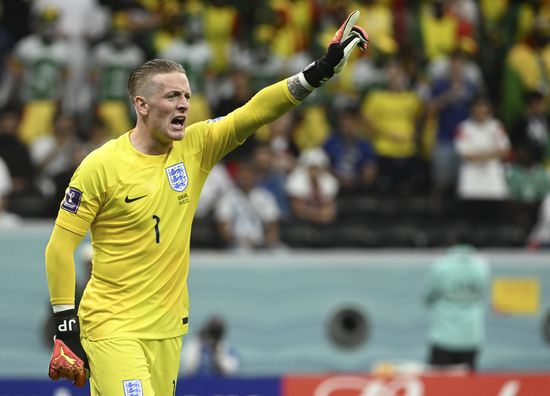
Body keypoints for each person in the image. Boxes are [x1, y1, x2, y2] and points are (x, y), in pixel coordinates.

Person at [44, 12, 368, 393]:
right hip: (112, 326)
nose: (184, 105)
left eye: (187, 96)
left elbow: (255, 112)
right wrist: (65, 326)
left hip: (167, 327)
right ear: (142, 105)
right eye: (172, 96)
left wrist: (317, 73)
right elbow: (60, 247)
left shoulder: (196, 147)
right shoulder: (101, 165)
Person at [424, 243, 491, 371]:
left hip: (443, 337)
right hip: (472, 336)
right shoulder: (482, 266)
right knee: (466, 388)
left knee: (438, 386)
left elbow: (427, 297)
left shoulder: (440, 266)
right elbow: (484, 294)